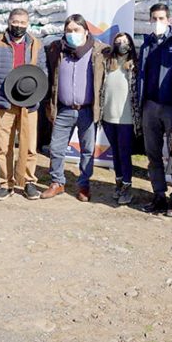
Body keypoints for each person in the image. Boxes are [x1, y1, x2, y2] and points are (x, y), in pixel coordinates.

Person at [0, 8, 47, 201]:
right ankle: (5, 183)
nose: (18, 26)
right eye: (15, 22)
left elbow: (43, 72)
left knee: (30, 145)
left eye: (22, 23)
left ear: (28, 24)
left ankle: (28, 182)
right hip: (3, 102)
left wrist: (37, 95)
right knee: (3, 147)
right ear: (8, 21)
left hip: (28, 103)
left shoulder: (35, 45)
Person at [42, 14, 107, 202]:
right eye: (68, 30)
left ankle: (84, 185)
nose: (72, 34)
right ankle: (57, 182)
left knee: (87, 150)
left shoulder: (99, 51)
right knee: (56, 148)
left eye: (76, 30)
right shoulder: (57, 49)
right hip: (64, 109)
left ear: (86, 31)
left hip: (87, 109)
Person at [137, 3, 172, 216]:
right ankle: (158, 195)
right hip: (150, 106)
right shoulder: (146, 43)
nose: (158, 22)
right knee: (153, 153)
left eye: (161, 18)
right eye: (154, 18)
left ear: (169, 20)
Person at [99, 32, 141, 205]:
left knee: (124, 153)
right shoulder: (108, 63)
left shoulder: (135, 65)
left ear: (130, 44)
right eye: (118, 42)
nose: (121, 44)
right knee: (115, 152)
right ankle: (118, 182)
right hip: (109, 116)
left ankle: (127, 186)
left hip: (126, 118)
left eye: (125, 42)